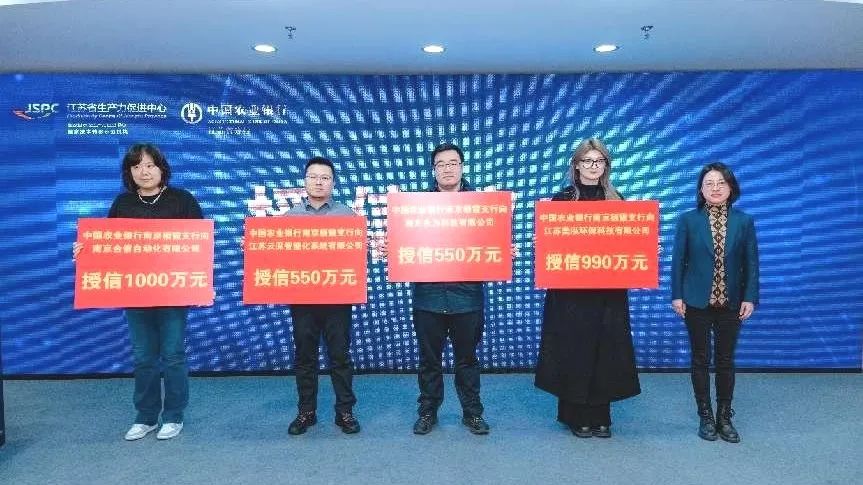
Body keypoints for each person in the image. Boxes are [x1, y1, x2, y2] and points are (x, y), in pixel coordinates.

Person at [73, 143, 203, 441]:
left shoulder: (182, 200)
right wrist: (85, 252)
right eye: (136, 166)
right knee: (144, 357)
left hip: (172, 291)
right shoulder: (123, 204)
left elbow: (199, 246)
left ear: (161, 168)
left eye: (149, 165)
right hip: (135, 292)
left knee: (172, 354)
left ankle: (174, 415)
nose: (144, 172)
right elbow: (108, 247)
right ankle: (145, 416)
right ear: (129, 172)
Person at [534, 138, 641, 439]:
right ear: (577, 165)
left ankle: (601, 415)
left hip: (608, 292)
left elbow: (628, 243)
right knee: (574, 349)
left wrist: (645, 247)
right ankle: (575, 415)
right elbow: (551, 247)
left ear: (606, 166)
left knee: (606, 350)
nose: (594, 166)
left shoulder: (617, 200)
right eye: (588, 160)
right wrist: (542, 243)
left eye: (599, 161)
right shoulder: (561, 200)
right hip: (570, 293)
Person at [671, 162, 758, 443]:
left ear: (731, 187)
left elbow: (751, 263)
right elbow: (678, 261)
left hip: (731, 302)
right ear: (701, 189)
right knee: (700, 358)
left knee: (725, 360)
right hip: (696, 301)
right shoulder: (688, 220)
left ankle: (724, 416)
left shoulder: (744, 221)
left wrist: (750, 297)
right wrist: (677, 295)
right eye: (709, 183)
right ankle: (705, 415)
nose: (715, 188)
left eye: (721, 183)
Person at [284, 156, 361, 435]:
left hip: (337, 298)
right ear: (304, 182)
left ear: (333, 183)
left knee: (340, 356)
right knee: (305, 356)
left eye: (325, 178)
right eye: (313, 177)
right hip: (302, 299)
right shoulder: (290, 217)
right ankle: (306, 412)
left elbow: (357, 257)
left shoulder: (347, 215)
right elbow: (277, 257)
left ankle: (345, 411)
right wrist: (255, 248)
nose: (319, 182)